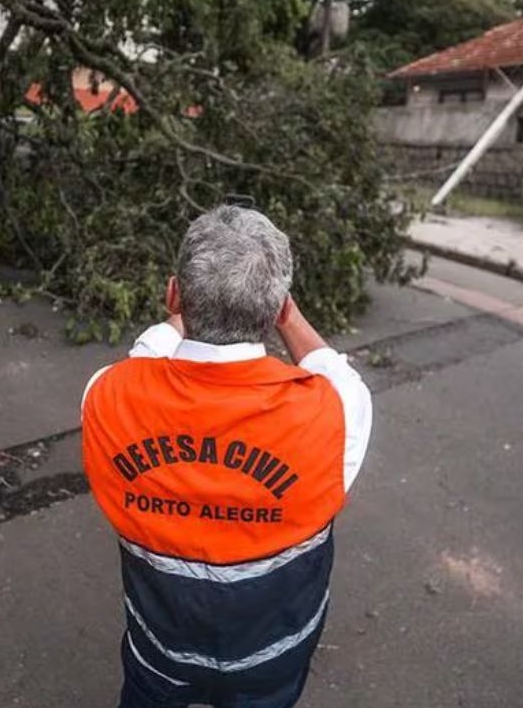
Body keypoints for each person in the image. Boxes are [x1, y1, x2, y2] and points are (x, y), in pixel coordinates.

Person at [80, 205, 373, 708]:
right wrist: (287, 312)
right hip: (273, 653)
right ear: (279, 306)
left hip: (159, 648)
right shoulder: (336, 409)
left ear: (174, 293)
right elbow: (330, 366)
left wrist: (179, 314)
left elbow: (144, 356)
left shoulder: (106, 396)